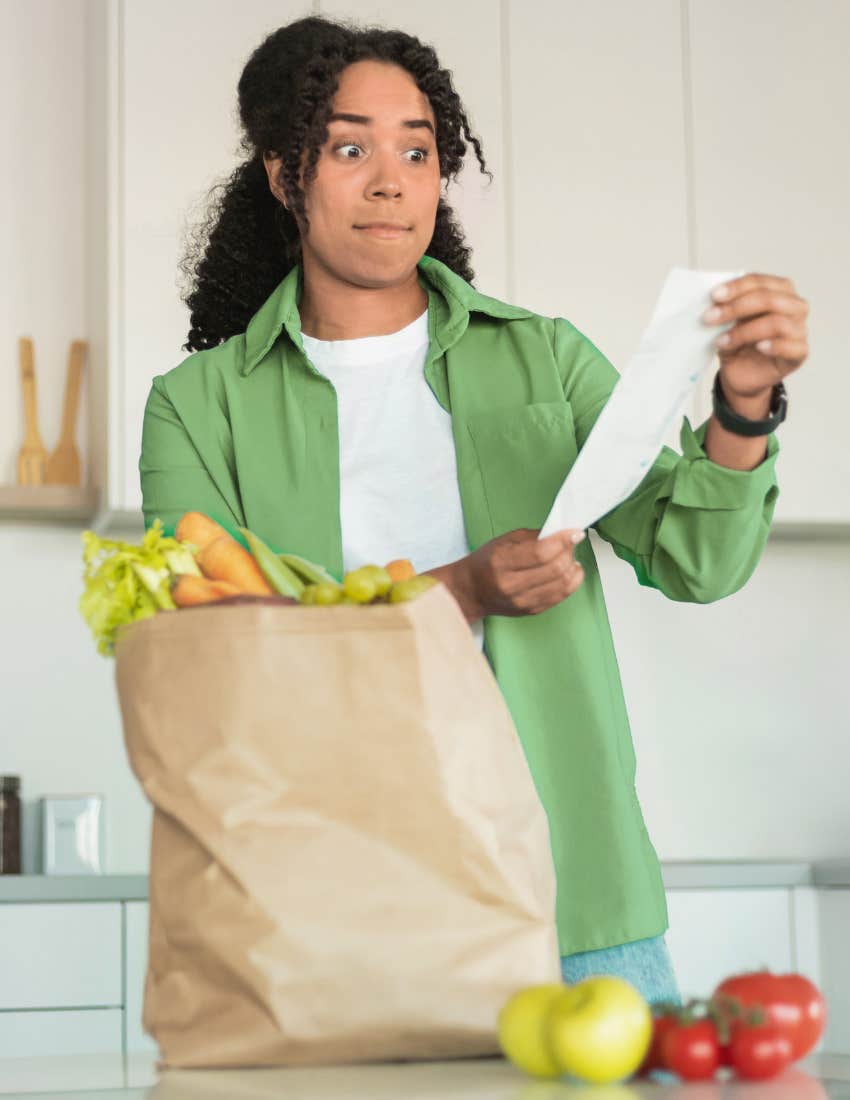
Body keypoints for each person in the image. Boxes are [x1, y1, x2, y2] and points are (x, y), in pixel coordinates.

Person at [140, 15, 810, 1007]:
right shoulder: (198, 407)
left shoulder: (542, 357)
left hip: (573, 904)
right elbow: (203, 663)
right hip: (324, 908)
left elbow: (696, 556)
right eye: (349, 146)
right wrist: (454, 591)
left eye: (417, 148)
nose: (390, 179)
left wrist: (742, 402)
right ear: (286, 176)